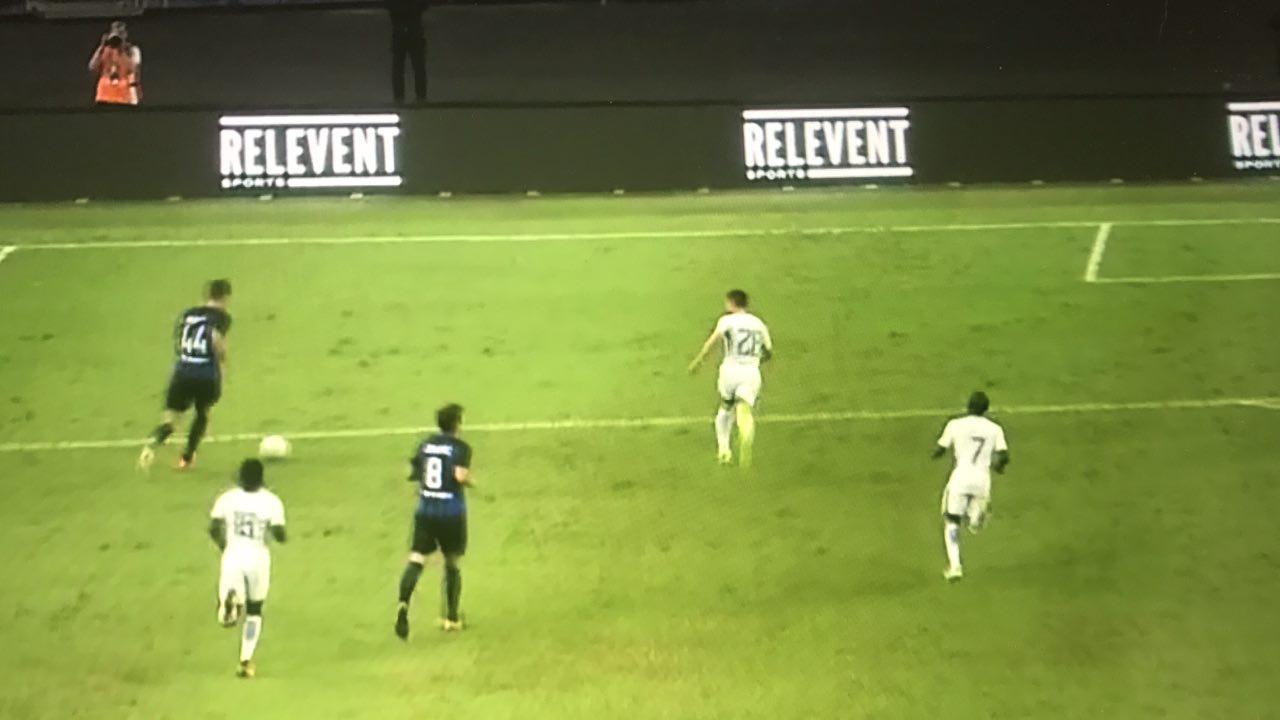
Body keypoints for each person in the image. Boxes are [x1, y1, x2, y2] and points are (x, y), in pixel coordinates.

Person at [396, 403, 473, 639]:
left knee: (416, 560)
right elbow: (460, 476)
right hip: (451, 513)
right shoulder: (461, 448)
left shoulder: (426, 444)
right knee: (451, 563)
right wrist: (472, 483)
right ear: (457, 423)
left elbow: (413, 473)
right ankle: (451, 618)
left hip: (425, 512)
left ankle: (403, 604)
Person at [137, 279, 232, 471]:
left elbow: (180, 339)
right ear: (225, 297)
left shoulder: (188, 314)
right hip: (205, 373)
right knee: (202, 413)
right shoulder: (221, 317)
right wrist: (222, 366)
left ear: (207, 295)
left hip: (182, 371)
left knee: (171, 420)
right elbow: (215, 338)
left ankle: (152, 445)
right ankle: (186, 458)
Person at [208, 459, 287, 678]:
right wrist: (278, 534)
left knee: (226, 618)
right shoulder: (271, 501)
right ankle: (245, 660)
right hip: (258, 557)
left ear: (240, 476)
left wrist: (224, 545)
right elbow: (280, 534)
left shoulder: (227, 498)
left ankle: (229, 607)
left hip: (233, 555)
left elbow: (213, 528)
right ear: (261, 478)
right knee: (255, 610)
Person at [687, 289, 774, 467]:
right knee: (744, 409)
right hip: (750, 372)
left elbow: (711, 344)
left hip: (730, 371)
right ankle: (745, 432)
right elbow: (768, 351)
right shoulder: (758, 324)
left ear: (732, 303)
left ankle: (724, 450)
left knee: (726, 408)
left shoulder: (727, 321)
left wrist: (697, 362)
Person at [931, 391, 1010, 582]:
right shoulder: (995, 428)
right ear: (986, 409)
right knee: (974, 522)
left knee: (952, 521)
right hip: (982, 479)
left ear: (968, 406)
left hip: (960, 478)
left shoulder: (955, 424)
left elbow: (940, 449)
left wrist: (934, 454)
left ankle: (955, 566)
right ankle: (975, 517)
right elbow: (1004, 456)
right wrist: (999, 467)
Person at [87, 21, 141, 107]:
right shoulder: (104, 50)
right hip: (104, 95)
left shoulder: (131, 50)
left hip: (123, 96)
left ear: (125, 35)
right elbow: (92, 67)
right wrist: (101, 46)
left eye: (121, 33)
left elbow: (134, 71)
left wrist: (123, 50)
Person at [386, 0, 427, 104]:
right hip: (414, 31)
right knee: (418, 65)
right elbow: (423, 5)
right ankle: (421, 96)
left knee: (398, 67)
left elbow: (389, 6)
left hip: (400, 31)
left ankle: (399, 96)